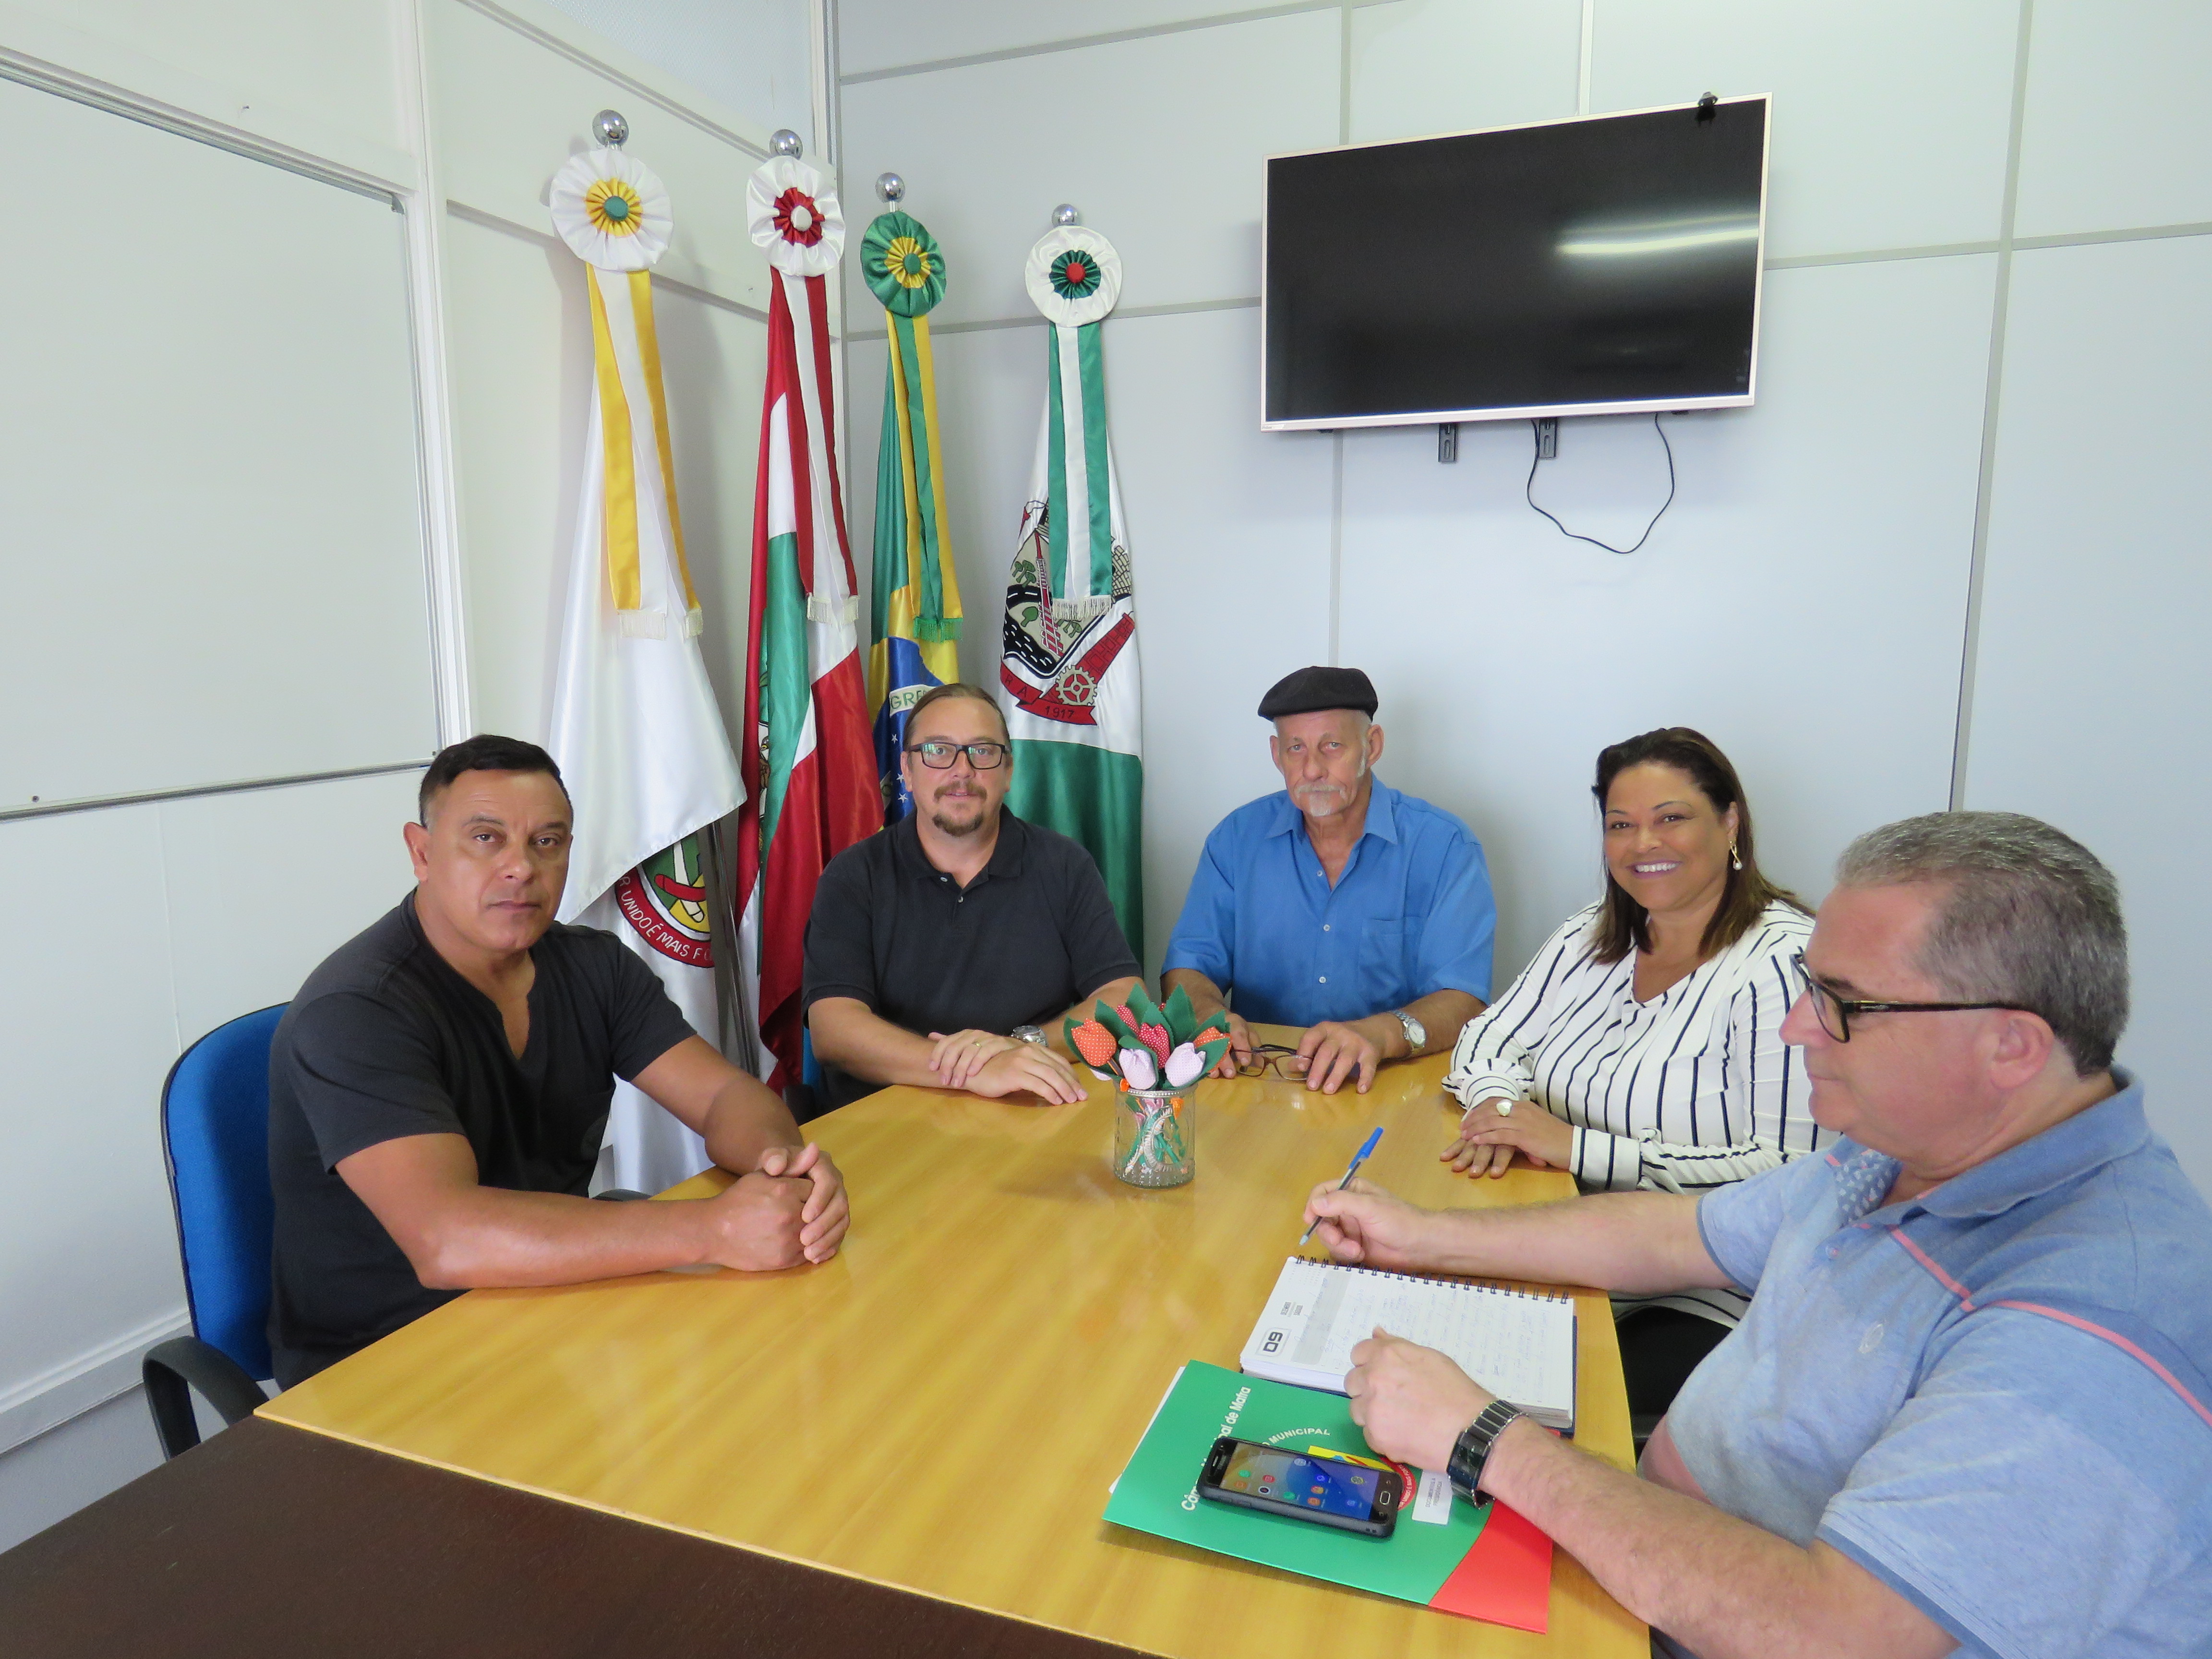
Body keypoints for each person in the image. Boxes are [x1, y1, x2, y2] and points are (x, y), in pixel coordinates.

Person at [1307, 812, 2212, 1659]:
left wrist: (1484, 1439)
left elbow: (1831, 1633)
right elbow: (1677, 1235)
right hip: (1651, 1553)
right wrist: (1418, 1237)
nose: (1794, 1026)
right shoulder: (1905, 1152)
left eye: (1845, 1004)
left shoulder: (2095, 1329)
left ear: (2010, 1046)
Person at [267, 735, 848, 1388]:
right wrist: (715, 1228)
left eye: (547, 842)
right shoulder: (357, 1009)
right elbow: (448, 1240)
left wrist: (783, 1172)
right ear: (422, 853)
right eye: (486, 839)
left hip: (549, 1313)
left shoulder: (596, 968)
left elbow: (722, 1098)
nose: (521, 867)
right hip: (385, 1367)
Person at [1441, 727, 1825, 1419]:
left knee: (1525, 1419)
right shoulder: (1593, 934)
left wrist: (1579, 1147)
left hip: (1710, 1288)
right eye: (1621, 825)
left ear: (1730, 822)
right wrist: (1499, 1109)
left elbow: (1794, 1176)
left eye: (1671, 818)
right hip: (1568, 1249)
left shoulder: (1780, 965)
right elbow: (1486, 1038)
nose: (1643, 843)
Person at [804, 682, 1142, 1113]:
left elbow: (1124, 996)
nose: (962, 770)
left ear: (1009, 771)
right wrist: (975, 1070)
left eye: (982, 752)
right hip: (888, 1122)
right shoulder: (854, 875)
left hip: (1028, 1111)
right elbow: (833, 1030)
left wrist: (1025, 1046)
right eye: (938, 751)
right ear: (907, 770)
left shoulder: (1064, 865)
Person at [1161, 665, 1494, 1095]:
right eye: (1295, 748)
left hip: (1388, 1084)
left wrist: (1381, 1034)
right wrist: (1208, 1015)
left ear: (1372, 746)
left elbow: (1464, 999)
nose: (1313, 769)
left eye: (1332, 746)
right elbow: (1190, 965)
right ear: (1276, 754)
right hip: (1260, 1082)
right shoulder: (1236, 840)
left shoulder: (1445, 847)